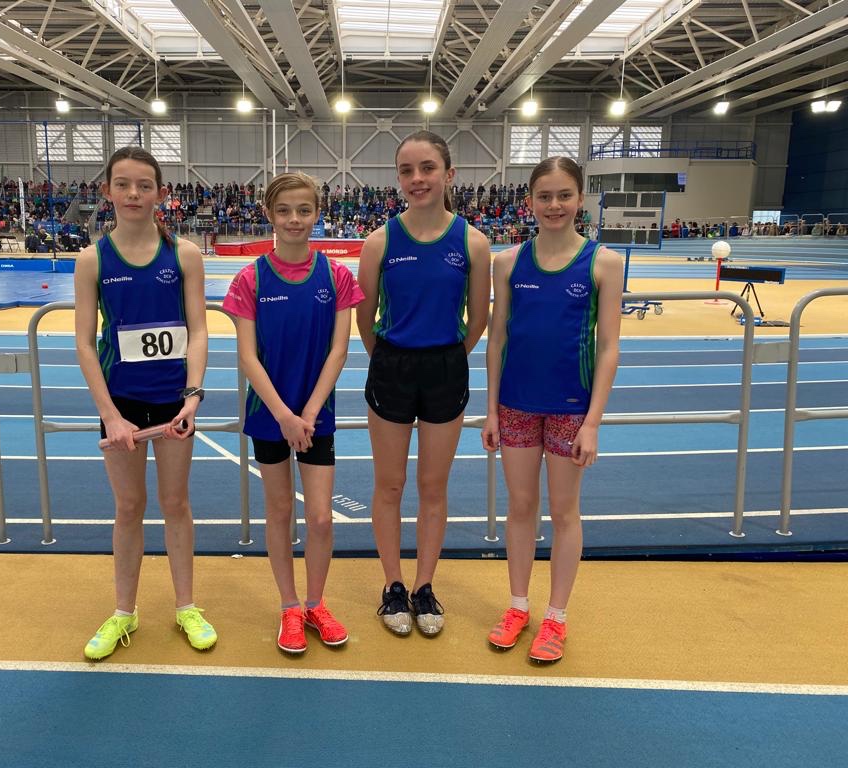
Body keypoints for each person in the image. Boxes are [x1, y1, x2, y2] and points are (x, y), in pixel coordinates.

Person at [74, 146, 217, 660]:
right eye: (123, 184)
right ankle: (123, 612)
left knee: (176, 504)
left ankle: (186, 607)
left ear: (161, 192)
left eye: (144, 185)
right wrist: (110, 415)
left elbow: (198, 330)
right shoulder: (92, 260)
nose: (133, 193)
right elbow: (84, 343)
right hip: (122, 403)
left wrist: (193, 396)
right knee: (129, 506)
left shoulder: (185, 255)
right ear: (107, 191)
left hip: (174, 402)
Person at [481, 156, 622, 663]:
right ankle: (518, 606)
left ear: (580, 199)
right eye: (545, 196)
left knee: (564, 512)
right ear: (530, 202)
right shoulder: (507, 262)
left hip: (569, 410)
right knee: (520, 508)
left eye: (564, 195)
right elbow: (497, 339)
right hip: (516, 405)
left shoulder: (604, 262)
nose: (555, 205)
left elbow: (609, 346)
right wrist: (492, 410)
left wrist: (593, 422)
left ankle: (556, 617)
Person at [356, 130, 491, 636]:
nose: (417, 178)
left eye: (428, 168)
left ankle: (425, 586)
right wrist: (391, 359)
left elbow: (478, 319)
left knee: (433, 486)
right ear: (398, 178)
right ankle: (393, 585)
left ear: (448, 174)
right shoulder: (380, 242)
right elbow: (364, 318)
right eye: (407, 170)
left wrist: (445, 359)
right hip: (391, 366)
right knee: (390, 484)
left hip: (445, 368)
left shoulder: (473, 243)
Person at [224, 172, 363, 653]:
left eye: (304, 210)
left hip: (315, 413)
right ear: (269, 214)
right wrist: (284, 414)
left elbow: (339, 350)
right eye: (284, 210)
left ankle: (316, 604)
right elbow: (247, 357)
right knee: (280, 511)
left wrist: (309, 411)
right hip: (270, 413)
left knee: (320, 518)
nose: (294, 219)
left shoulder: (337, 276)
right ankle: (288, 606)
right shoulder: (250, 278)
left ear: (318, 213)